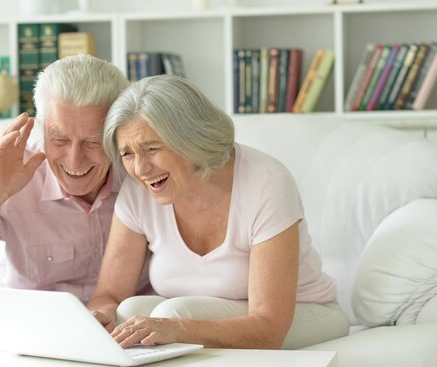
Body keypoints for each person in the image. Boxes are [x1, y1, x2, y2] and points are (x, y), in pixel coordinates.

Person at [88, 74, 349, 350]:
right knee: (128, 311)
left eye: (151, 148)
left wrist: (175, 328)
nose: (140, 169)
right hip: (196, 311)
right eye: (127, 154)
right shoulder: (138, 192)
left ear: (190, 138)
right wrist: (103, 313)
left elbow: (269, 328)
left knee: (172, 315)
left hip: (301, 313)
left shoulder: (267, 183)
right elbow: (109, 295)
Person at [0, 54, 148, 341]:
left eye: (93, 141)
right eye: (59, 139)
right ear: (41, 127)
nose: (75, 160)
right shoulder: (10, 172)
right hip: (34, 333)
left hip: (127, 331)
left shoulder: (144, 173)